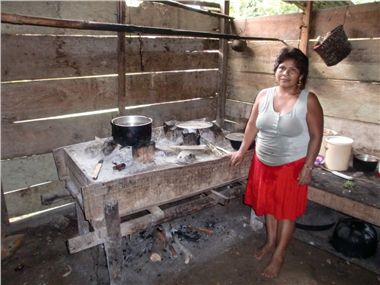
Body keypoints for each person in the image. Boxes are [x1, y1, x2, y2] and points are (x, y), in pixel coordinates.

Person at [229, 47, 323, 278]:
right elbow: (252, 125)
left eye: (293, 70)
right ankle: (271, 242)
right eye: (282, 68)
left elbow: (317, 135)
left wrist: (308, 166)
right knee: (269, 205)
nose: (285, 73)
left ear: (301, 75)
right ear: (275, 70)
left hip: (291, 164)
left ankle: (279, 254)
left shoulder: (308, 100)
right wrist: (242, 150)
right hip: (263, 161)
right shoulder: (264, 95)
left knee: (286, 212)